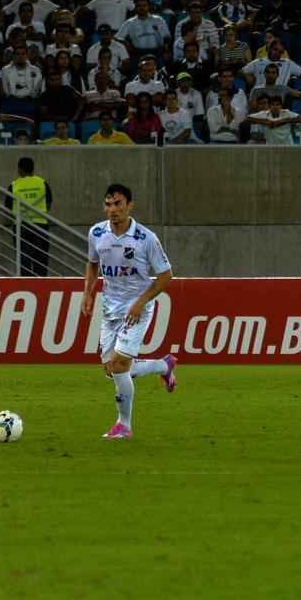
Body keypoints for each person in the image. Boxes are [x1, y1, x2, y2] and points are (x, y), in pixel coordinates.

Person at [82, 183, 177, 440]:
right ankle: (163, 365)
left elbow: (166, 276)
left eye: (118, 204)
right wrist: (88, 292)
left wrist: (141, 302)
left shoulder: (146, 238)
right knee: (113, 369)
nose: (113, 210)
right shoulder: (97, 233)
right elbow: (92, 264)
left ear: (129, 206)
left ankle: (123, 425)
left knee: (120, 364)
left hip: (138, 308)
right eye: (109, 204)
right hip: (110, 308)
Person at [8, 157, 52, 277]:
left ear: (20, 169)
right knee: (41, 259)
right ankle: (42, 287)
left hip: (21, 226)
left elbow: (8, 206)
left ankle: (26, 285)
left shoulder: (14, 185)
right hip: (40, 225)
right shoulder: (42, 183)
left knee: (23, 259)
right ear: (33, 169)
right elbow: (48, 204)